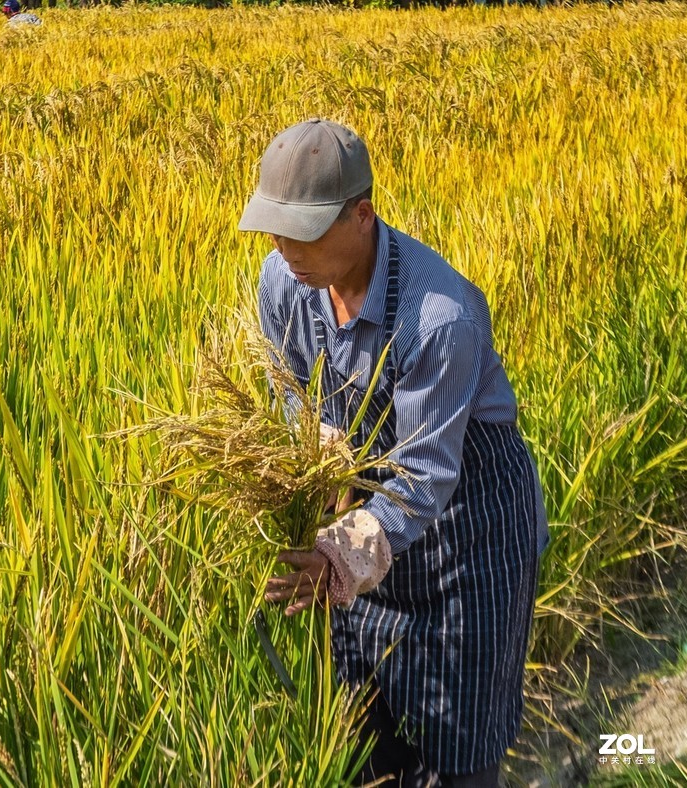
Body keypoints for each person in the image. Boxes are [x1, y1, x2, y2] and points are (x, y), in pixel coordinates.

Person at [242, 118, 549, 787]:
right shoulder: (281, 280)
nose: (284, 247)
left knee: (460, 750)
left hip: (466, 525)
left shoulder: (439, 319)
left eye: (305, 230)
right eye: (275, 227)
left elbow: (420, 481)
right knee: (358, 736)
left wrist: (337, 555)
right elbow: (289, 388)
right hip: (360, 514)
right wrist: (321, 450)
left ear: (362, 216)